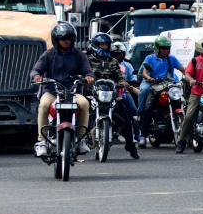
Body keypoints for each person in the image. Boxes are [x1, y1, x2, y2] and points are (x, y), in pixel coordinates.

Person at [30, 22, 95, 157]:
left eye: (69, 38)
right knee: (43, 105)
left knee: (84, 103)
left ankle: (81, 140)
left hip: (73, 92)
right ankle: (42, 142)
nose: (66, 41)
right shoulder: (49, 54)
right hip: (52, 92)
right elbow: (36, 70)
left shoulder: (78, 55)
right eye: (63, 38)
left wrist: (89, 76)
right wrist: (36, 76)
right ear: (56, 39)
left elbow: (88, 70)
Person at [87, 33, 139, 159]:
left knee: (126, 118)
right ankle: (74, 145)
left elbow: (119, 77)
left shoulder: (113, 61)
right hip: (92, 95)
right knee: (80, 113)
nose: (104, 47)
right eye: (102, 44)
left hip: (110, 96)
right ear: (95, 45)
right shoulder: (87, 60)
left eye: (106, 45)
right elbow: (83, 73)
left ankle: (130, 146)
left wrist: (123, 83)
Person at [138, 35, 186, 148]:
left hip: (169, 85)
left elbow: (184, 70)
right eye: (163, 48)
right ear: (157, 47)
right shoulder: (150, 58)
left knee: (181, 103)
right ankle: (143, 136)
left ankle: (185, 135)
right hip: (155, 85)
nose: (165, 50)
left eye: (167, 48)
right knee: (149, 108)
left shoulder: (172, 58)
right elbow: (145, 72)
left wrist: (191, 77)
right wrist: (149, 78)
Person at [110, 42, 141, 143]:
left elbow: (133, 77)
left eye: (120, 54)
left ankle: (137, 134)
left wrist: (133, 81)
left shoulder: (127, 65)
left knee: (133, 110)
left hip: (124, 91)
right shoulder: (107, 64)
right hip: (110, 92)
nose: (117, 56)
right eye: (115, 54)